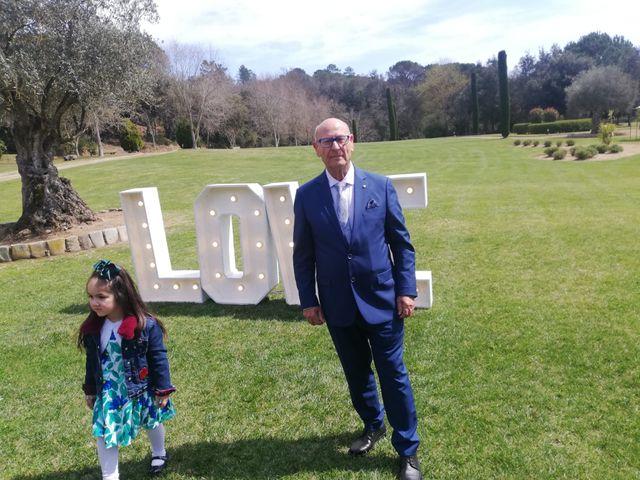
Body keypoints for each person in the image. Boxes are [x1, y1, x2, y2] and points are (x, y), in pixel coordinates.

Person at [293, 118, 422, 480]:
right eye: (326, 141)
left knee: (393, 375)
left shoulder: (380, 187)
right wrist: (309, 299)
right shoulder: (307, 196)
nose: (335, 146)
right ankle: (373, 424)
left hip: (383, 300)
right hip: (338, 304)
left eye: (341, 139)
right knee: (356, 374)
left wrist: (406, 289)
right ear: (315, 149)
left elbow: (401, 243)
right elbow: (303, 255)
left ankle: (408, 450)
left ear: (352, 142)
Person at [78, 260, 176, 479]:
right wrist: (91, 389)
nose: (94, 303)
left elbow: (158, 357)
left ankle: (159, 453)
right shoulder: (94, 328)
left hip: (140, 387)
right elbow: (92, 362)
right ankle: (110, 475)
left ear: (121, 295)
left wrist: (163, 389)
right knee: (104, 431)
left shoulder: (145, 325)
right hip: (110, 391)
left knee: (151, 420)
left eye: (101, 297)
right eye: (91, 297)